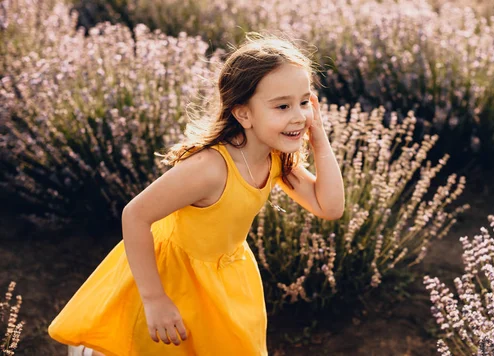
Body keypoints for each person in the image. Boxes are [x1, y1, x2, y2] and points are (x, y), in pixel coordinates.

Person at [47, 33, 345, 356]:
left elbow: (329, 206)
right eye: (283, 105)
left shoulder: (275, 157)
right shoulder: (210, 168)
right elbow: (135, 215)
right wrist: (154, 299)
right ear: (243, 114)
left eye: (304, 102)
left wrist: (319, 139)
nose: (299, 115)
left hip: (225, 279)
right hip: (173, 278)